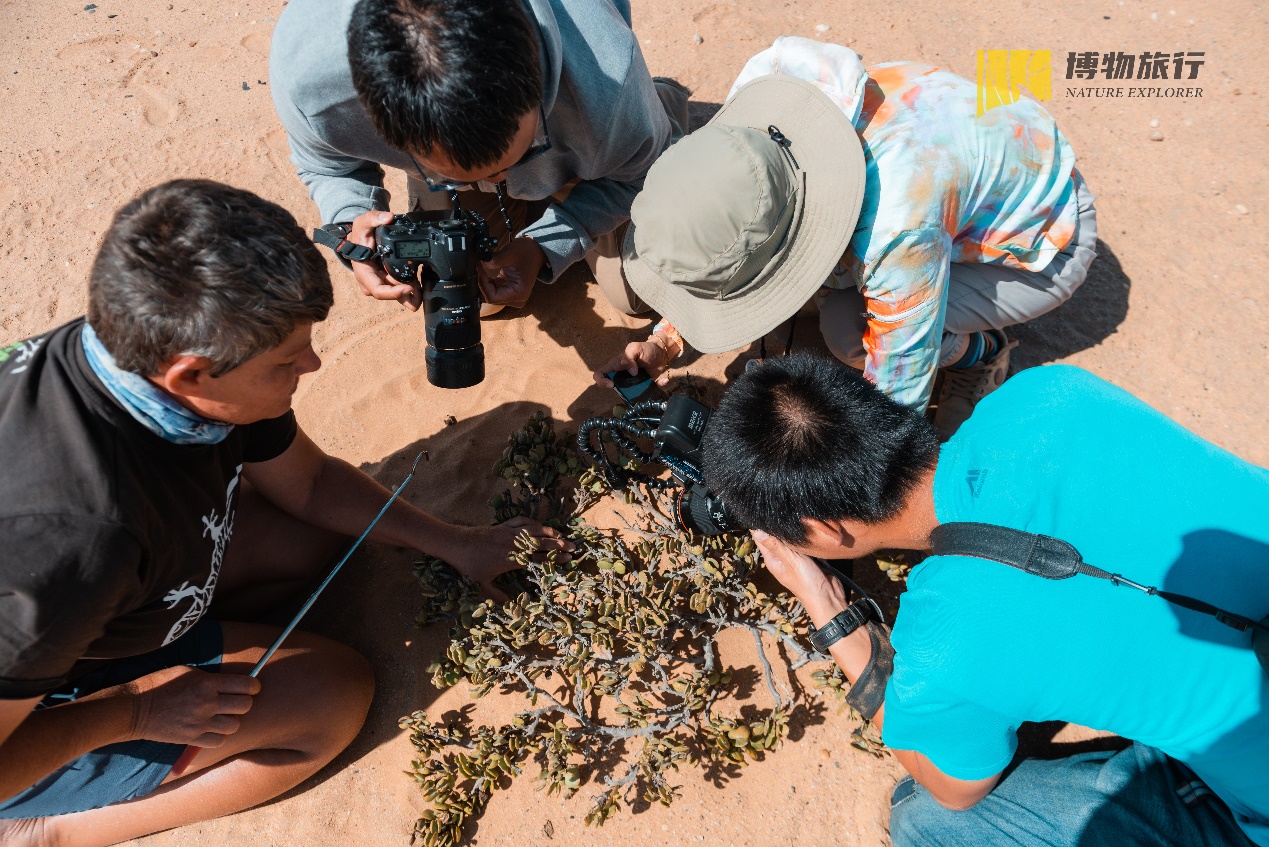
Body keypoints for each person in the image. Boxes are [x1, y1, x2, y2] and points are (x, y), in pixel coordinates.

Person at [0, 181, 568, 847]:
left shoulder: (135, 342)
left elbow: (310, 484)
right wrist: (138, 708)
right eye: (284, 361)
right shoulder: (68, 547)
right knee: (331, 697)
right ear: (189, 375)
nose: (312, 363)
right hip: (24, 731)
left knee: (311, 539)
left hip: (85, 606)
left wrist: (459, 543)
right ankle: (47, 828)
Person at [699, 352, 1269, 847]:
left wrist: (824, 603)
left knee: (928, 822)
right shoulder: (1051, 393)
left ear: (823, 532)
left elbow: (953, 788)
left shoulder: (947, 641)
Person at [595, 37, 1097, 439]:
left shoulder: (897, 226)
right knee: (837, 308)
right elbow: (726, 231)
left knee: (849, 331)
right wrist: (665, 338)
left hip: (1043, 237)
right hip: (966, 142)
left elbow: (899, 392)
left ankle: (981, 354)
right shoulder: (759, 117)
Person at [269, 0, 687, 317]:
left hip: (593, 124)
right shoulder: (314, 88)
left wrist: (550, 243)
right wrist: (353, 218)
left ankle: (659, 106)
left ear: (538, 86)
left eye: (515, 157)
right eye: (443, 170)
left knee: (637, 293)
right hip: (574, 129)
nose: (496, 177)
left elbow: (638, 175)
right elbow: (327, 165)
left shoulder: (607, 81)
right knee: (473, 298)